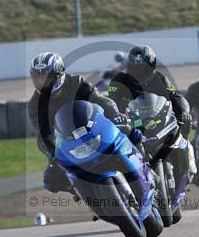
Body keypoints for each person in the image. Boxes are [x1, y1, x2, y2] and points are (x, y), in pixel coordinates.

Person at [27, 52, 130, 193]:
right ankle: (79, 191)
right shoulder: (34, 104)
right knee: (51, 180)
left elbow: (101, 100)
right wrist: (51, 149)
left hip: (92, 130)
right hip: (65, 143)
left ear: (59, 75)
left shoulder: (76, 82)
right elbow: (41, 133)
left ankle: (146, 172)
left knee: (127, 135)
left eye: (47, 78)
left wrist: (115, 115)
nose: (43, 83)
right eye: (39, 79)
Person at [108, 45, 194, 135]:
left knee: (183, 132)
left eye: (143, 69)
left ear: (152, 66)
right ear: (129, 66)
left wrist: (184, 113)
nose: (139, 73)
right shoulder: (119, 79)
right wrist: (116, 115)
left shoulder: (161, 78)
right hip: (131, 127)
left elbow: (176, 97)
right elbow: (111, 101)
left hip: (160, 126)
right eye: (135, 69)